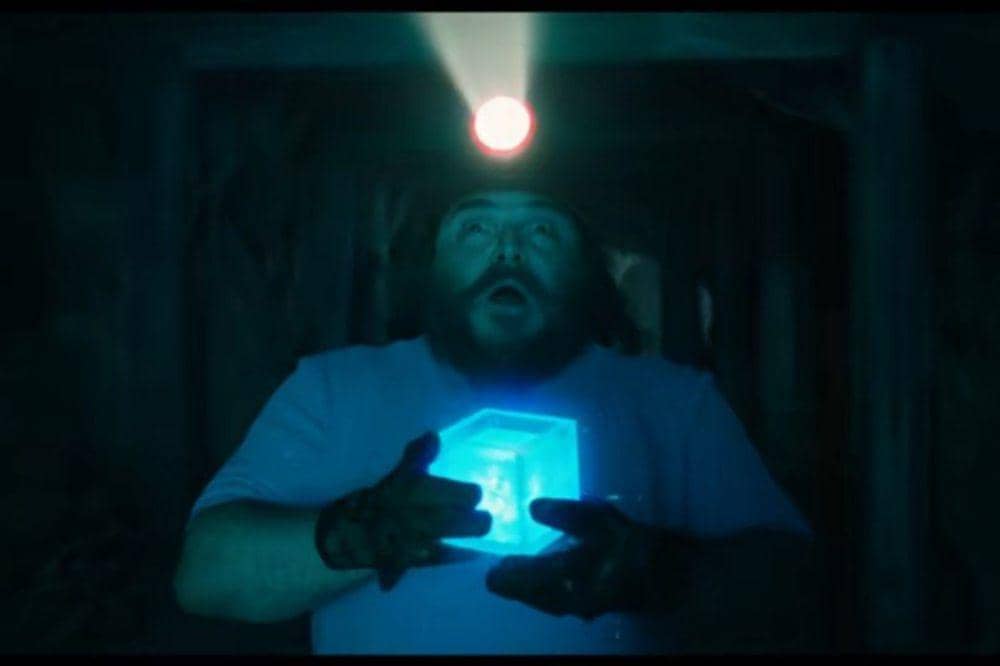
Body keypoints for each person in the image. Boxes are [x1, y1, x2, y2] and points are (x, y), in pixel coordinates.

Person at [173, 187, 820, 654]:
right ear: (432, 264)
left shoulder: (673, 401)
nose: (507, 252)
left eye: (541, 232)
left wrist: (672, 573)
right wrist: (357, 535)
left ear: (587, 265)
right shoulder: (332, 388)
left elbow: (797, 589)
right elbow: (204, 577)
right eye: (475, 230)